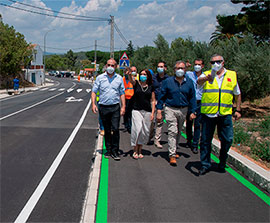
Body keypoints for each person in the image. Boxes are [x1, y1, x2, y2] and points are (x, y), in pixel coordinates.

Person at [197, 54, 242, 175]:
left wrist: (237, 110)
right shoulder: (206, 74)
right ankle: (205, 164)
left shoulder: (231, 75)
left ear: (223, 62)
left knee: (227, 139)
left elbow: (237, 93)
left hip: (225, 114)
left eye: (218, 62)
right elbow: (198, 81)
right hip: (208, 114)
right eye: (212, 62)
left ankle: (222, 161)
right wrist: (207, 78)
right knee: (206, 140)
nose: (215, 64)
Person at [156, 61, 197, 166]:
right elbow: (161, 96)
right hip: (170, 109)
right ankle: (172, 154)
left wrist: (193, 111)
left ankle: (174, 148)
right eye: (178, 68)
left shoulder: (189, 82)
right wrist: (159, 110)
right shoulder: (168, 82)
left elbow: (192, 97)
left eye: (182, 68)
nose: (180, 70)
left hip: (184, 109)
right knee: (172, 130)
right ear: (174, 70)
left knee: (178, 131)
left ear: (185, 70)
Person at [91, 58, 126, 161]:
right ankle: (109, 150)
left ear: (116, 67)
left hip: (115, 107)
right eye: (109, 65)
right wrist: (93, 104)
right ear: (106, 66)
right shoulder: (100, 78)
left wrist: (123, 106)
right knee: (106, 129)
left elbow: (122, 93)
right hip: (103, 107)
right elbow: (94, 91)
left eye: (113, 65)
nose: (110, 67)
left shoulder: (119, 78)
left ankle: (115, 151)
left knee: (115, 129)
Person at [128, 69, 155, 159]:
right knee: (137, 129)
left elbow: (153, 100)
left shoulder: (151, 86)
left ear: (148, 76)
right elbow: (131, 80)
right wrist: (129, 74)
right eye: (141, 74)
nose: (143, 76)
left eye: (145, 74)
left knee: (144, 131)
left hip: (147, 111)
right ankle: (135, 150)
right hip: (136, 110)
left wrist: (152, 113)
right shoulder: (136, 84)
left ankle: (140, 149)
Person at [185, 59, 205, 154]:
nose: (197, 66)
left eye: (199, 64)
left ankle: (195, 144)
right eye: (195, 64)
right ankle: (189, 140)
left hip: (200, 101)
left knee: (198, 124)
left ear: (203, 66)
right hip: (190, 101)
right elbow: (180, 73)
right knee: (189, 122)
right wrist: (186, 66)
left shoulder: (205, 76)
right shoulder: (189, 74)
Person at [149, 61, 169, 148]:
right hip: (154, 101)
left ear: (165, 68)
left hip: (163, 102)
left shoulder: (168, 79)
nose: (159, 68)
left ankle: (157, 140)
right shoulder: (153, 78)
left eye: (161, 66)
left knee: (159, 121)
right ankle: (149, 136)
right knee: (151, 121)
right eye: (158, 66)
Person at [123, 67, 134, 133]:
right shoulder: (123, 79)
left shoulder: (132, 79)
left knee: (130, 113)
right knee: (125, 112)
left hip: (131, 98)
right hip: (124, 98)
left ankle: (130, 126)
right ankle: (126, 125)